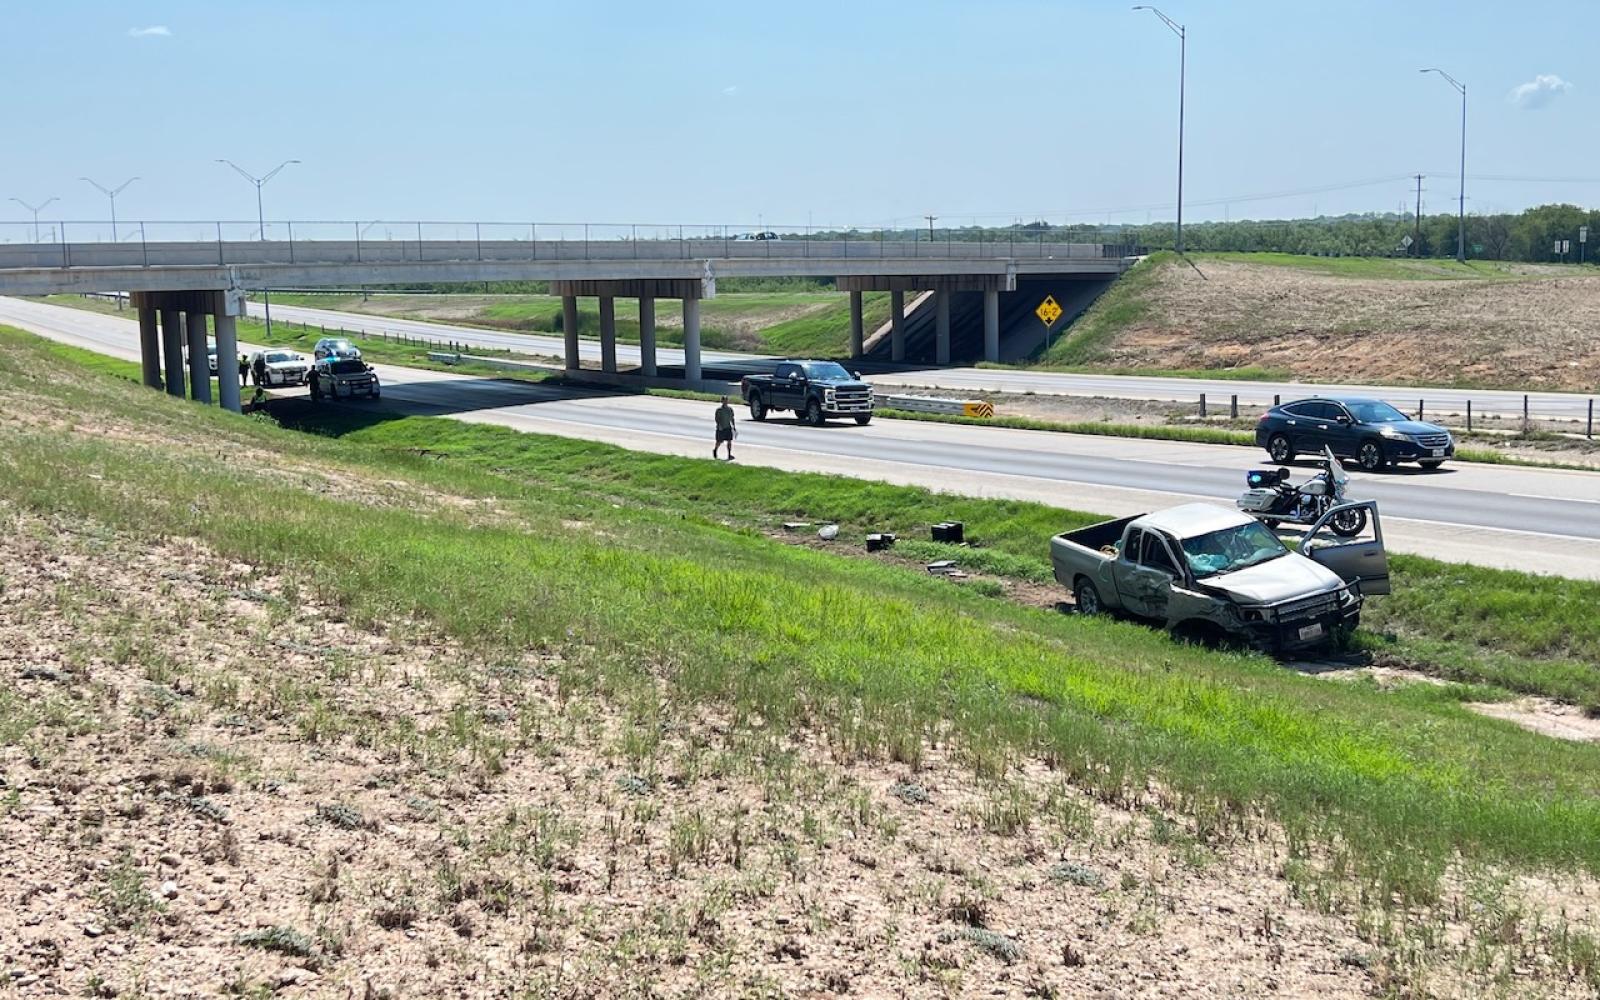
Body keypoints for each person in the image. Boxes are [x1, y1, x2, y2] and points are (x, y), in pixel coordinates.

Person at [713, 396, 736, 461]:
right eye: (724, 400)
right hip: (721, 428)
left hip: (728, 427)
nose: (725, 402)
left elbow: (732, 418)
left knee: (729, 441)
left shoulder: (730, 409)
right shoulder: (719, 410)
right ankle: (715, 450)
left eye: (726, 400)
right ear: (722, 401)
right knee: (719, 441)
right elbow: (717, 419)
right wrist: (719, 426)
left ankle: (729, 454)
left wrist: (734, 426)